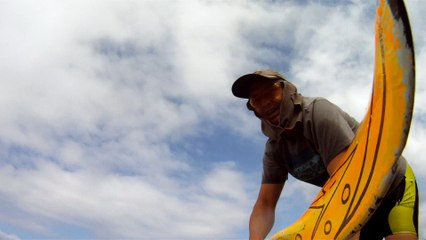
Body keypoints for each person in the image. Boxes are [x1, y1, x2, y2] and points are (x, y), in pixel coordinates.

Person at [231, 69, 419, 240]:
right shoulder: (274, 150)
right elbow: (265, 204)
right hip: (350, 198)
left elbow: (347, 182)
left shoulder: (318, 112)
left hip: (391, 183)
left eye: (270, 92)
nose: (264, 103)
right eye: (256, 100)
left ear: (286, 89)